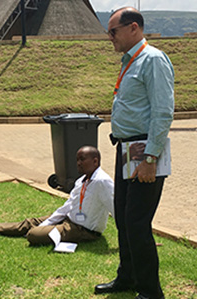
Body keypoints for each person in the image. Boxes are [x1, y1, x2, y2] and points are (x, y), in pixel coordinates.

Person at [94, 8, 174, 299]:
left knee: (138, 222)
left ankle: (150, 292)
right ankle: (126, 278)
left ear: (134, 28)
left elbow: (163, 112)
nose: (110, 37)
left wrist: (150, 159)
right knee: (125, 219)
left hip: (145, 150)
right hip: (126, 149)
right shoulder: (130, 61)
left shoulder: (152, 60)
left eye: (113, 31)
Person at [0, 146, 114, 246]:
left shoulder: (102, 181)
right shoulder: (82, 180)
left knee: (33, 235)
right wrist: (49, 221)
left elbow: (116, 208)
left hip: (83, 230)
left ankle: (39, 231)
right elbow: (68, 206)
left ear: (95, 161)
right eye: (77, 160)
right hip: (69, 219)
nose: (78, 163)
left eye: (82, 159)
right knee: (29, 223)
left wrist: (128, 238)